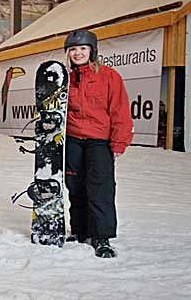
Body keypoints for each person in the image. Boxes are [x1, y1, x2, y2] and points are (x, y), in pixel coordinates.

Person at [63, 29, 133, 258]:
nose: (78, 53)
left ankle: (101, 236)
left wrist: (119, 142)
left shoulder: (108, 76)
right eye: (73, 49)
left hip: (99, 141)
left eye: (82, 48)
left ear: (92, 50)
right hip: (73, 139)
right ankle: (80, 231)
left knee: (100, 189)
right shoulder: (65, 78)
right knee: (75, 186)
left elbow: (120, 110)